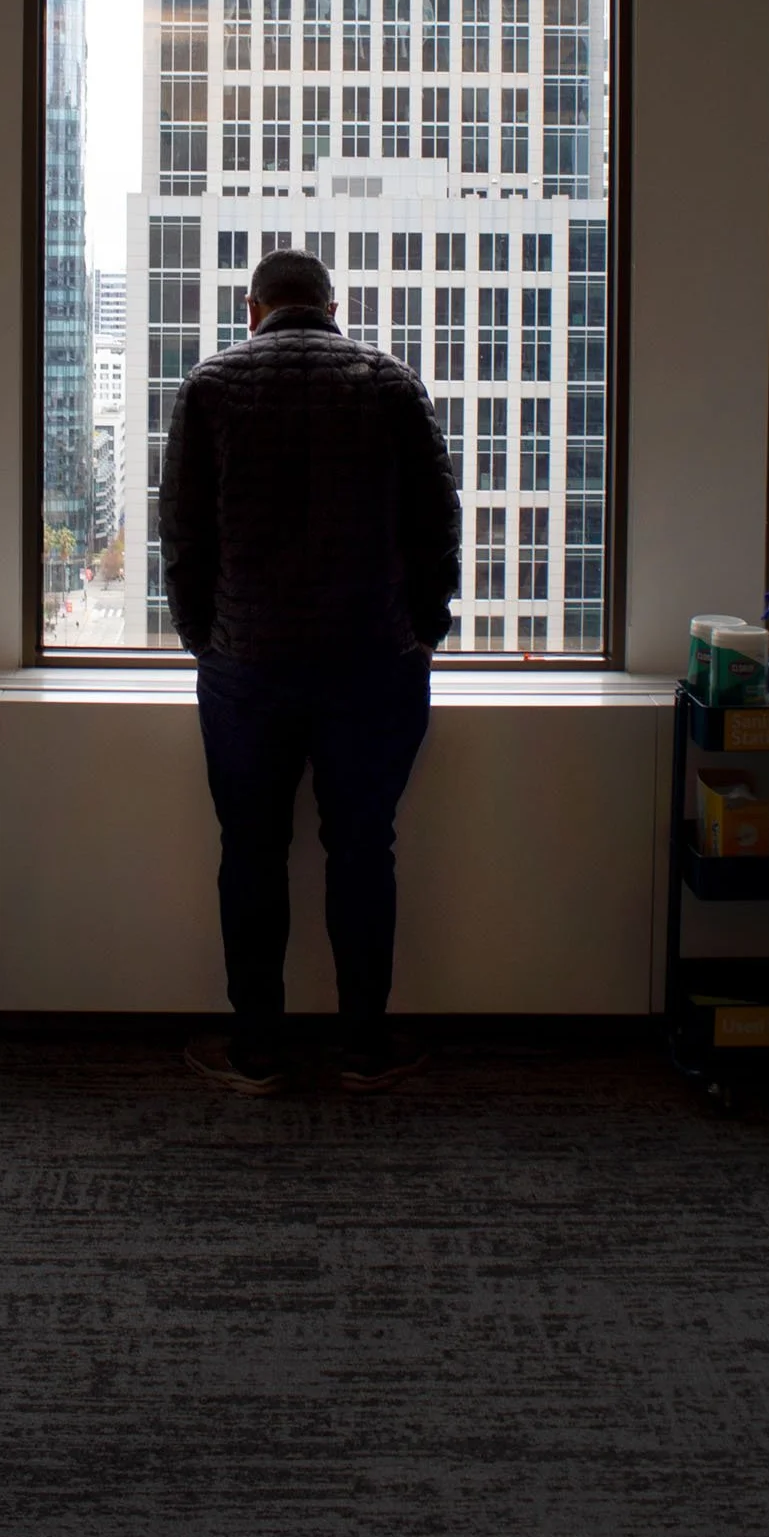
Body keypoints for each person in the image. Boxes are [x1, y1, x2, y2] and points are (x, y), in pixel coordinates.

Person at [158, 246, 461, 1094]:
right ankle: (364, 1045)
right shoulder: (391, 384)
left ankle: (257, 1049)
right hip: (372, 664)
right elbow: (437, 525)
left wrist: (205, 639)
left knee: (251, 851)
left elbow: (182, 535)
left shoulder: (209, 387)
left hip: (248, 669)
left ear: (252, 310)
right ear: (333, 309)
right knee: (363, 849)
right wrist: (424, 631)